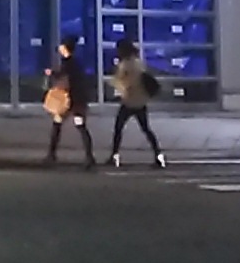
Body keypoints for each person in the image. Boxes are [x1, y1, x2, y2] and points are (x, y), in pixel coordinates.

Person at [108, 39, 165, 168]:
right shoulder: (138, 62)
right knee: (146, 129)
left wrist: (116, 84)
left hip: (129, 101)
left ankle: (114, 156)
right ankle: (158, 155)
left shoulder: (125, 65)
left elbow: (124, 83)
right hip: (141, 101)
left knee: (118, 128)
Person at [44, 36, 97, 169]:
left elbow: (62, 77)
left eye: (61, 46)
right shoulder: (76, 63)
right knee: (80, 126)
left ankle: (51, 154)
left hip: (68, 99)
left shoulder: (67, 63)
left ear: (65, 48)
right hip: (78, 99)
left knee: (57, 125)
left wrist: (51, 73)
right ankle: (89, 157)